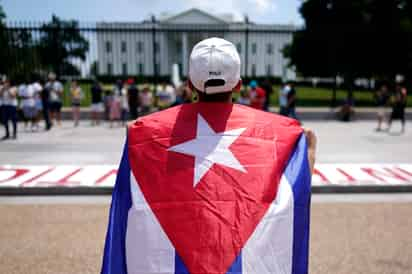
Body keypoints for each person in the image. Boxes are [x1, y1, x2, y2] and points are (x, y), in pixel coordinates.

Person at [101, 37, 317, 274]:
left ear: (190, 85)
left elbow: (126, 208)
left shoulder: (145, 135)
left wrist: (140, 133)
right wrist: (308, 153)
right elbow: (292, 201)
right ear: (238, 85)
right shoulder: (280, 134)